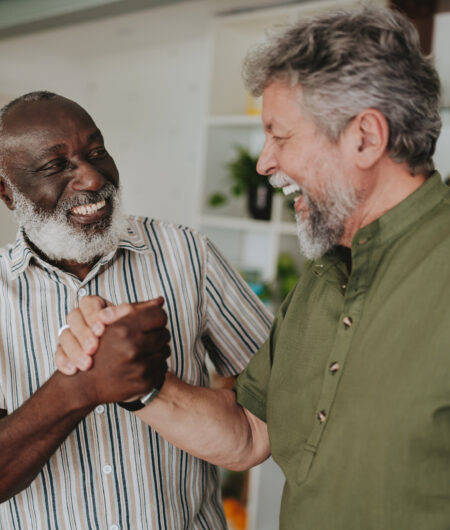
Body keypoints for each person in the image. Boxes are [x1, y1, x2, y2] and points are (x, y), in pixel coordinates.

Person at [58, 5, 450, 529]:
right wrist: (139, 384)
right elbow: (249, 432)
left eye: (281, 136)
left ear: (365, 138)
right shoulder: (323, 275)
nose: (264, 162)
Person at [0, 91, 272, 529]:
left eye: (97, 151)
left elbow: (276, 393)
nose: (91, 178)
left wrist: (160, 391)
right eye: (56, 166)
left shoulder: (186, 252)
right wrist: (82, 386)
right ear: (7, 193)